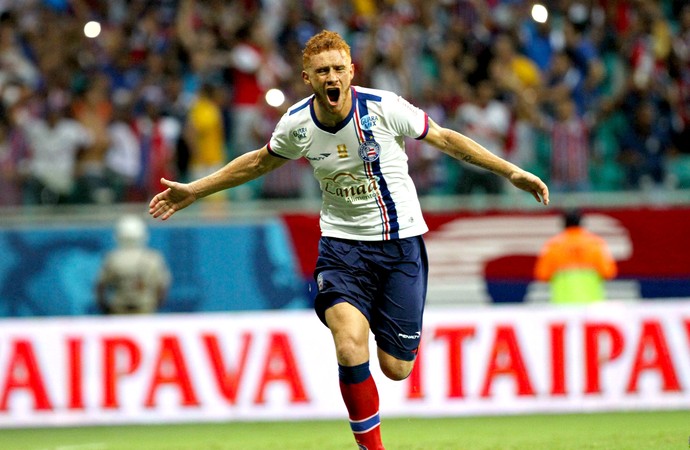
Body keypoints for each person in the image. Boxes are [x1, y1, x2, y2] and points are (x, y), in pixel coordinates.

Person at [149, 30, 549, 450]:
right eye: (322, 71)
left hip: (400, 246)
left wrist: (511, 171)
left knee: (396, 367)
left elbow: (446, 139)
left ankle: (385, 317)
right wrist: (196, 189)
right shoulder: (298, 123)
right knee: (348, 341)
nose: (331, 76)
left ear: (351, 71)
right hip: (341, 247)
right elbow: (259, 162)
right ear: (308, 78)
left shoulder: (384, 108)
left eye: (339, 68)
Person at [534, 209, 617, 304]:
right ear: (581, 223)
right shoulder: (595, 243)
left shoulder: (553, 245)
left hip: (562, 303)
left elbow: (542, 274)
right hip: (591, 302)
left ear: (563, 224)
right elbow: (609, 272)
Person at [97, 214, 171, 315]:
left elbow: (100, 286)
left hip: (118, 310)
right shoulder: (153, 258)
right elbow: (163, 287)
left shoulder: (113, 258)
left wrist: (105, 308)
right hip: (146, 309)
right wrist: (155, 305)